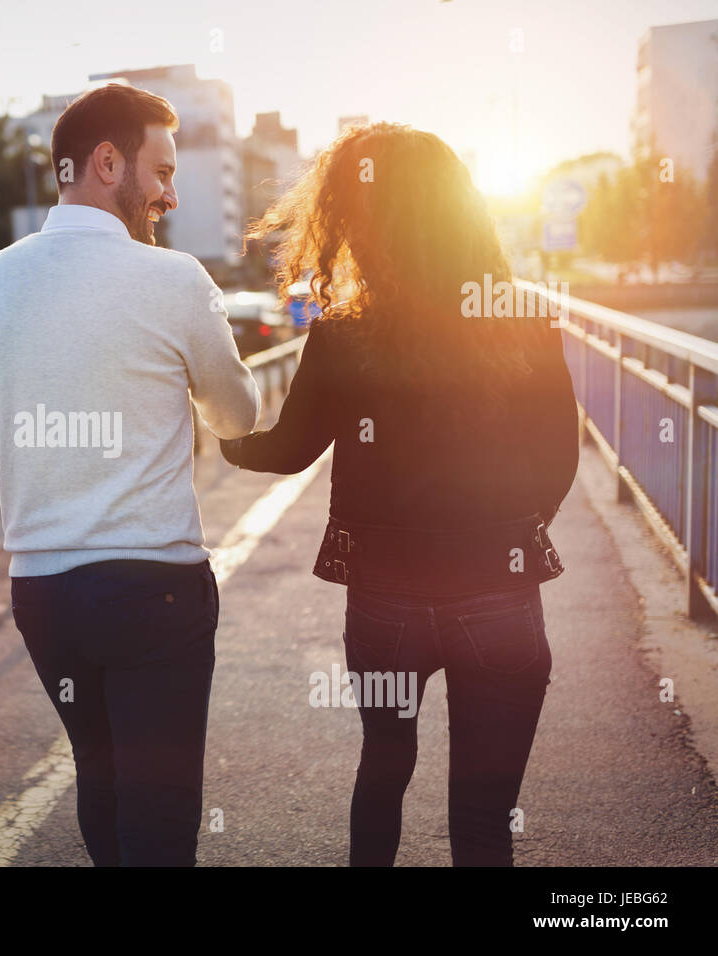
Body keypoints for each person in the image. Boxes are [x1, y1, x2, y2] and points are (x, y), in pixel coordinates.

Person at [0, 83, 261, 866]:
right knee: (161, 820)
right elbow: (236, 417)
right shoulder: (173, 281)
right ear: (107, 162)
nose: (171, 195)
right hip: (155, 590)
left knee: (100, 781)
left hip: (47, 600)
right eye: (163, 172)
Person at [221, 122, 579, 866]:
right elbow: (559, 458)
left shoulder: (346, 333)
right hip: (501, 596)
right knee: (484, 818)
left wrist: (222, 437)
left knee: (383, 774)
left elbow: (289, 452)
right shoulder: (520, 316)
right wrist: (508, 534)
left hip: (388, 603)